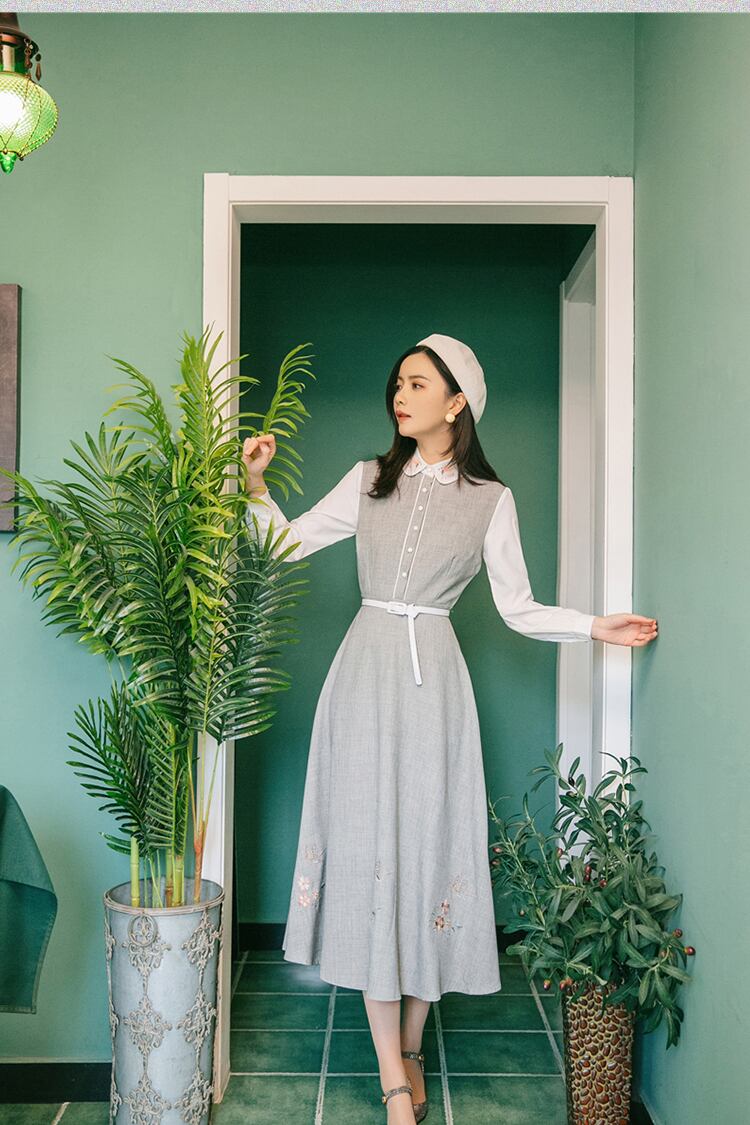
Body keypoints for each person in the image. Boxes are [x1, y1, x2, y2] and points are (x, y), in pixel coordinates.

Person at [241, 333, 658, 1124]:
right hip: (362, 679)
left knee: (430, 851)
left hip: (435, 686)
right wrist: (256, 485)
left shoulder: (491, 500)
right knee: (368, 849)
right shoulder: (367, 478)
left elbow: (518, 606)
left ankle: (411, 1043)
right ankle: (393, 1076)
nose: (401, 395)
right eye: (397, 383)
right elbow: (283, 543)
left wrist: (595, 624)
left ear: (457, 402)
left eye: (418, 383)